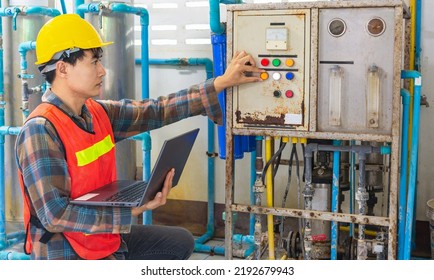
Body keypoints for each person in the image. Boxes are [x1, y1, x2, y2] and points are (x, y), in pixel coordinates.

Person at [14, 14, 263, 260]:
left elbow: (156, 110)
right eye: (93, 62)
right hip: (67, 252)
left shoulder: (96, 112)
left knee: (180, 241)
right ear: (63, 68)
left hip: (103, 236)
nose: (102, 71)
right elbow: (55, 215)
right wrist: (130, 210)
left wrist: (219, 83)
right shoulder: (41, 129)